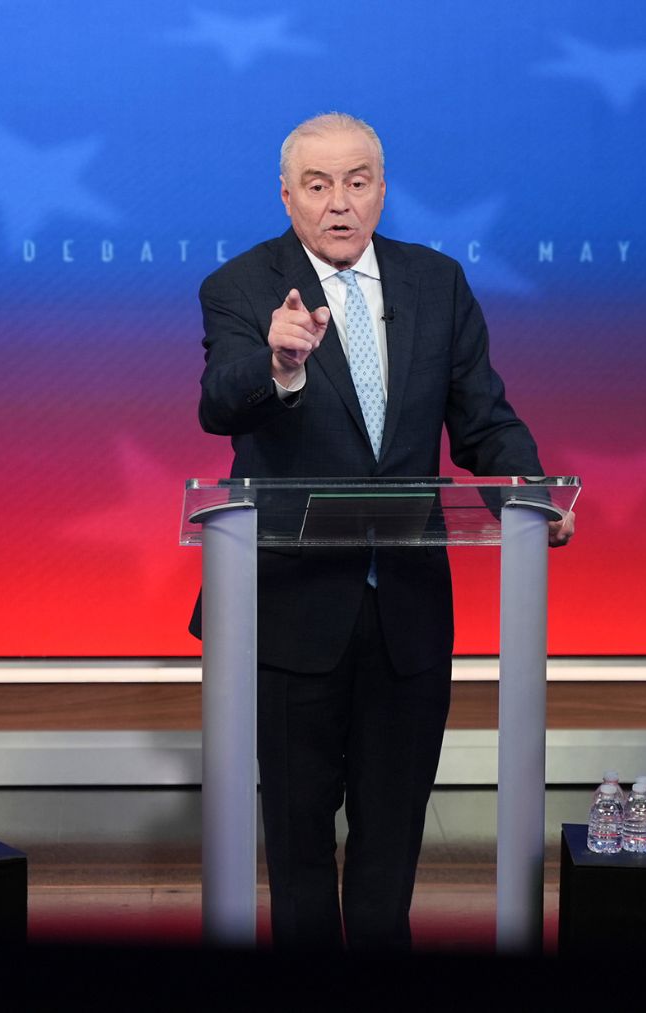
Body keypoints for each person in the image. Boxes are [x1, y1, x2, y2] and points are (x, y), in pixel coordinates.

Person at [193, 112, 573, 950]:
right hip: (292, 611)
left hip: (406, 603)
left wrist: (536, 491)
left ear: (382, 190)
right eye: (319, 185)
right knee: (296, 847)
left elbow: (485, 421)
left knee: (391, 838)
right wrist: (278, 363)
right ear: (287, 195)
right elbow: (218, 398)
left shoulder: (434, 284)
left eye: (357, 182)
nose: (339, 204)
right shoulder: (243, 286)